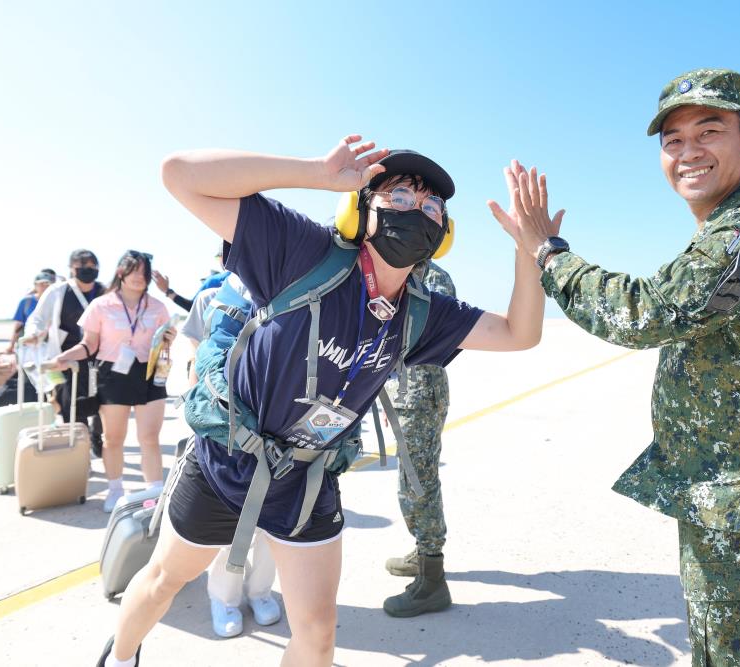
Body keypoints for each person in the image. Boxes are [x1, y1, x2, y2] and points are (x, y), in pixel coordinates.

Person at [94, 137, 561, 667]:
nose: (419, 210)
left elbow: (521, 333)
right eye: (400, 196)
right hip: (226, 460)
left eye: (432, 206)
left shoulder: (423, 313)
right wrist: (317, 172)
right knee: (161, 582)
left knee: (318, 634)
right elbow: (179, 173)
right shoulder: (302, 251)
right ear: (361, 212)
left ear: (443, 234)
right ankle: (121, 655)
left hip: (306, 478)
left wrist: (530, 249)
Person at [496, 69, 740, 666]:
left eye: (709, 130)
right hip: (726, 500)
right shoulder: (725, 229)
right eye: (672, 140)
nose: (688, 151)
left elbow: (646, 312)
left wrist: (547, 253)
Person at [181, 281, 283, 637]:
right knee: (232, 522)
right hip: (230, 426)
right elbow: (200, 356)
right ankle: (223, 596)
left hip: (281, 428)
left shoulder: (296, 286)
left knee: (274, 524)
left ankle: (260, 590)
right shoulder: (213, 295)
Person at [51, 251, 174, 512]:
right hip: (113, 375)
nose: (140, 277)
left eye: (145, 272)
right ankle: (116, 490)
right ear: (121, 272)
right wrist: (64, 357)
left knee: (149, 437)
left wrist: (168, 342)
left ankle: (155, 492)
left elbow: (163, 345)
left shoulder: (158, 307)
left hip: (150, 374)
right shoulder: (101, 305)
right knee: (113, 438)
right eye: (135, 271)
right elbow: (89, 345)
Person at [381, 259, 456, 618]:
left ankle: (432, 579)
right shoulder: (405, 272)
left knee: (417, 482)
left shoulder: (433, 277)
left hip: (420, 391)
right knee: (411, 478)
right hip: (407, 391)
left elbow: (438, 336)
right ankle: (422, 550)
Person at [24, 249, 106, 453]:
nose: (88, 270)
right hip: (66, 358)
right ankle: (81, 448)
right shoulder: (58, 291)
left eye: (92, 267)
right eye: (82, 267)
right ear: (72, 269)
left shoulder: (105, 291)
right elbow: (37, 318)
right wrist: (34, 333)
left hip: (101, 356)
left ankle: (96, 434)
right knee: (71, 404)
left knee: (102, 402)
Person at [4, 272, 53, 354]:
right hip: (27, 344)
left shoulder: (55, 302)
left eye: (47, 284)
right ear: (35, 285)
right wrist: (11, 345)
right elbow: (18, 325)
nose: (45, 287)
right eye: (41, 284)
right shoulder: (26, 301)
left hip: (48, 345)